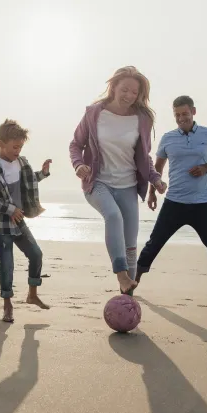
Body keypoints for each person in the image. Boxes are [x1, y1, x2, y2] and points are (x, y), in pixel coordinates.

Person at [69, 66, 167, 295]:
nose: (130, 96)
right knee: (112, 216)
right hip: (98, 182)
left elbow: (144, 157)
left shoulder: (142, 119)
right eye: (125, 90)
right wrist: (78, 164)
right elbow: (76, 144)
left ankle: (128, 297)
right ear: (113, 87)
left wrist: (155, 179)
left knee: (131, 247)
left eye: (135, 92)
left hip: (128, 186)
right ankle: (121, 275)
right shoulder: (94, 113)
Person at [136, 95, 207, 304]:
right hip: (174, 202)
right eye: (177, 115)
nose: (181, 118)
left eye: (184, 113)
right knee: (154, 243)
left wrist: (205, 168)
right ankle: (132, 282)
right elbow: (158, 168)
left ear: (193, 111)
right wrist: (152, 192)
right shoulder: (168, 138)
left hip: (203, 204)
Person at [0, 119, 52, 322]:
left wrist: (43, 173)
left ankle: (32, 294)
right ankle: (7, 305)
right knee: (7, 264)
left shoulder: (21, 162)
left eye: (20, 146)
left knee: (36, 254)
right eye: (14, 147)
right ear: (1, 144)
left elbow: (28, 181)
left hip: (18, 220)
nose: (17, 151)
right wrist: (9, 209)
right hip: (0, 225)